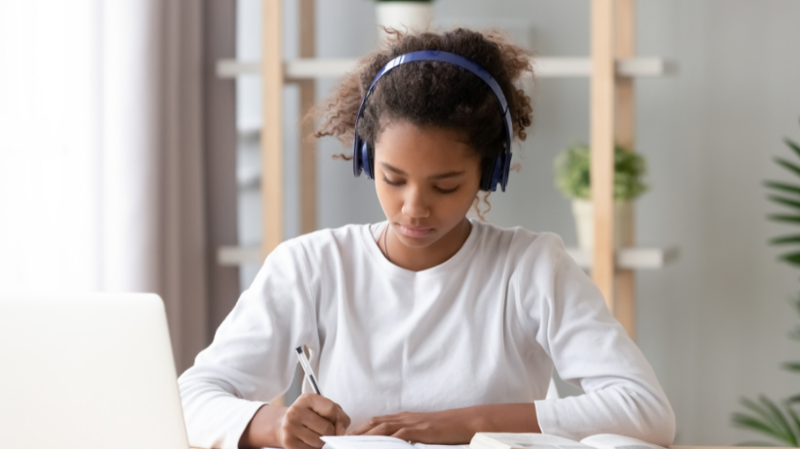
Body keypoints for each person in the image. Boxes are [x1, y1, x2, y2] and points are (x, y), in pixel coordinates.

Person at [178, 28, 676, 449]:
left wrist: (464, 424)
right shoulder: (311, 265)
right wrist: (272, 424)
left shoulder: (531, 267)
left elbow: (646, 410)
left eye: (445, 186)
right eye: (393, 179)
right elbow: (190, 397)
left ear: (489, 171)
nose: (414, 208)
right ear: (367, 160)